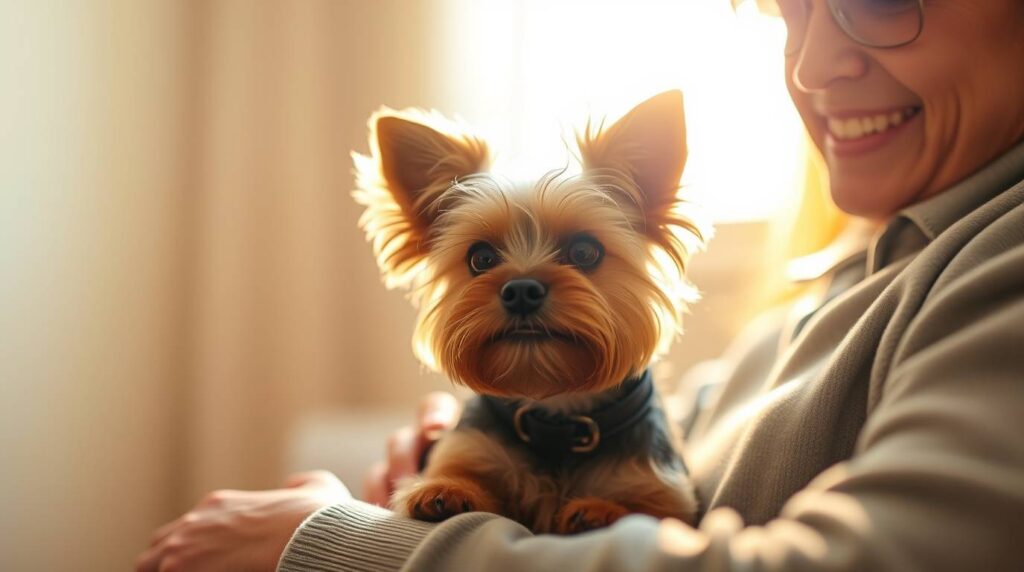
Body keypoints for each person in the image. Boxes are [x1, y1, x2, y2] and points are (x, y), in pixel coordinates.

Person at [136, 0, 1024, 570]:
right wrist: (464, 463)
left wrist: (341, 546)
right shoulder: (837, 284)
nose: (809, 66)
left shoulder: (1000, 262)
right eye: (787, 11)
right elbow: (678, 451)